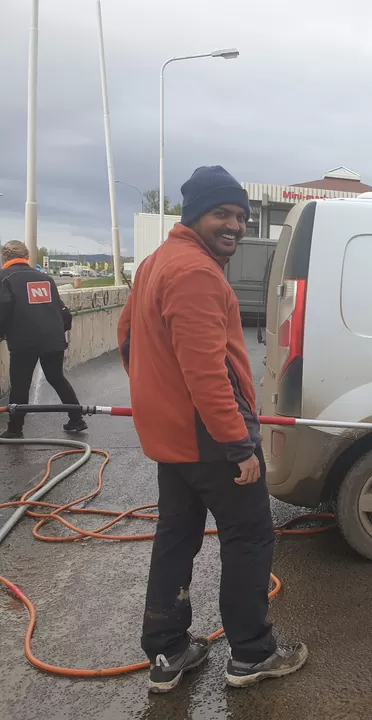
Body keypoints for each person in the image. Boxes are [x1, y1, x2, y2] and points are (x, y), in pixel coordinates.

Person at [117, 166, 307, 693]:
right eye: (221, 213)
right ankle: (251, 654)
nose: (235, 225)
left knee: (175, 539)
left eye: (241, 216)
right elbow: (207, 373)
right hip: (209, 437)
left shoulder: (157, 262)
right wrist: (238, 445)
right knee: (249, 539)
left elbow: (127, 337)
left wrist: (156, 401)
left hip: (174, 439)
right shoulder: (197, 273)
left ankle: (167, 652)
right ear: (194, 214)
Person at [0, 240, 87, 438]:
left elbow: (2, 311)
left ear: (4, 257)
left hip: (25, 341)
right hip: (53, 338)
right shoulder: (45, 278)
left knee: (21, 384)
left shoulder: (4, 278)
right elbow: (61, 310)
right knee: (56, 377)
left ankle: (15, 429)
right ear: (27, 257)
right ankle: (77, 419)